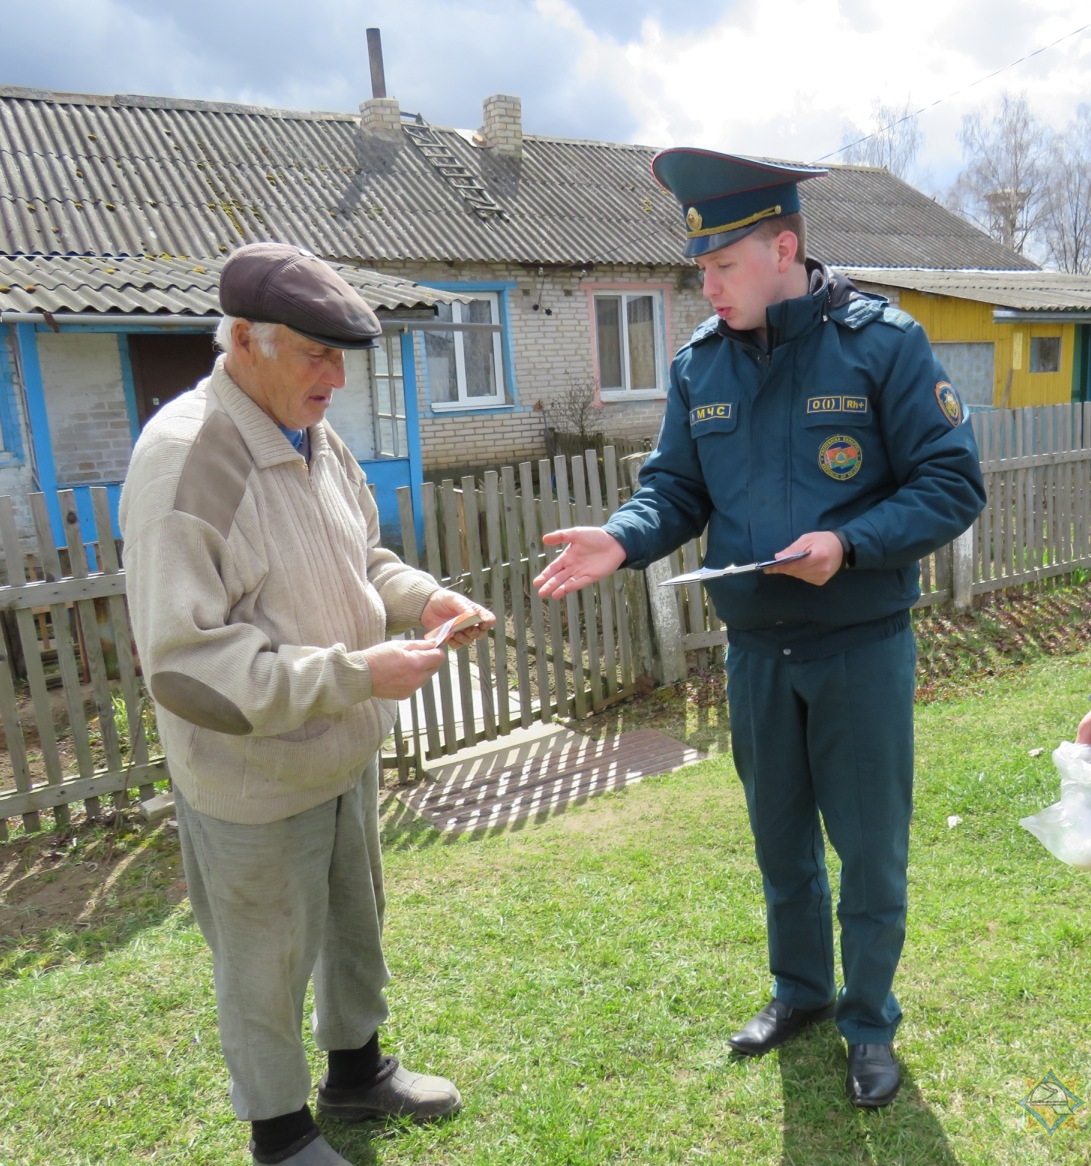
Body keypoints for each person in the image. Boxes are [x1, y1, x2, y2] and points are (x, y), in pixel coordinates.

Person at [535, 149, 986, 1108]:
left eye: (721, 265)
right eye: (698, 268)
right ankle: (800, 995)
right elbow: (675, 488)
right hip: (756, 657)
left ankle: (869, 1024)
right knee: (780, 844)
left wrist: (849, 543)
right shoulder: (700, 363)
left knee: (867, 850)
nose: (705, 285)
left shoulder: (882, 346)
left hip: (858, 647)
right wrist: (621, 539)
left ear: (784, 247)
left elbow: (952, 484)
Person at [120, 242, 494, 1166]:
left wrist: (424, 598)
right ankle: (281, 1135)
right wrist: (357, 674)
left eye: (342, 358)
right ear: (244, 339)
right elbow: (188, 669)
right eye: (314, 354)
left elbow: (363, 555)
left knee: (352, 923)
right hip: (251, 774)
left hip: (339, 751)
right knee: (265, 955)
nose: (335, 379)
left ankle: (357, 1075)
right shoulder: (185, 461)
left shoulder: (307, 428)